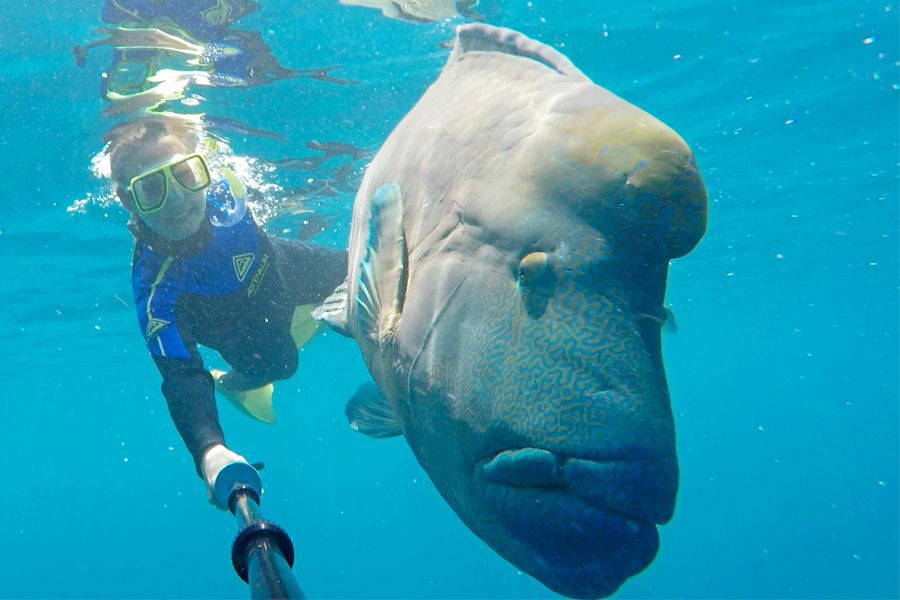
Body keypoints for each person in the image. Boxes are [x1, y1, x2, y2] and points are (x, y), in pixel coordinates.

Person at [106, 117, 346, 507]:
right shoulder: (157, 290)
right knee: (285, 364)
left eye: (185, 174)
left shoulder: (223, 187)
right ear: (129, 201)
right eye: (152, 188)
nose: (179, 198)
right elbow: (182, 376)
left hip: (283, 265)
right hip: (244, 331)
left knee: (360, 269)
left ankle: (306, 312)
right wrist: (210, 452)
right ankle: (231, 383)